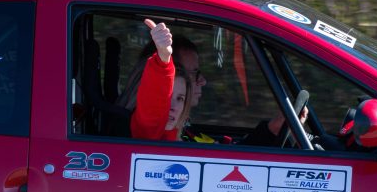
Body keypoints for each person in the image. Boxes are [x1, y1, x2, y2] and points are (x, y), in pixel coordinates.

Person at [128, 19, 306, 144]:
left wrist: (271, 130)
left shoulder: (180, 131)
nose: (202, 81)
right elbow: (154, 104)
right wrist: (163, 58)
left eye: (180, 98)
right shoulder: (149, 133)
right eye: (194, 73)